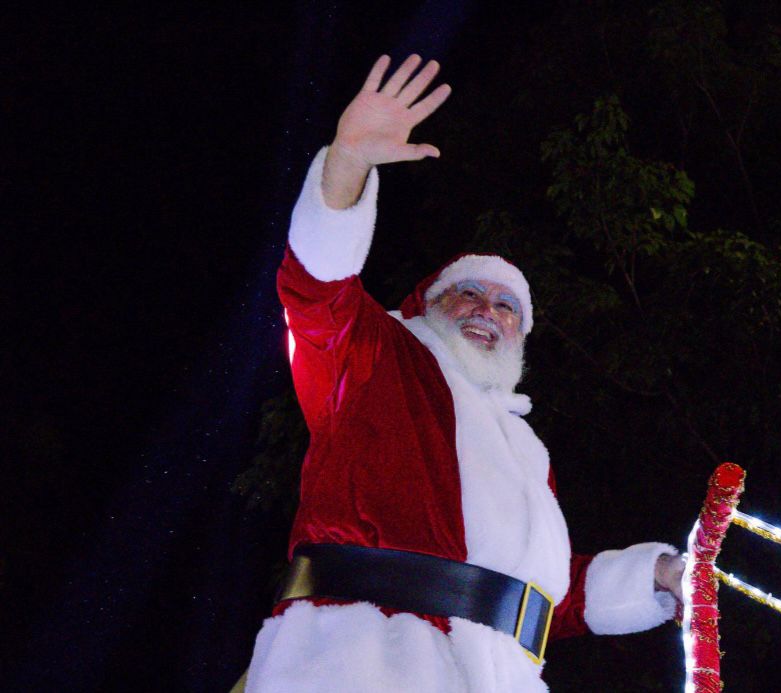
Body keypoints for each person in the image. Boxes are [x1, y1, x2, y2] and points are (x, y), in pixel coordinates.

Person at [243, 54, 686, 693]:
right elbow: (315, 291)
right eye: (468, 295)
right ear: (428, 306)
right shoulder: (377, 358)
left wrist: (658, 578)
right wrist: (347, 160)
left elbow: (534, 598)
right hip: (365, 659)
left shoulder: (525, 453)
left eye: (508, 307)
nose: (489, 312)